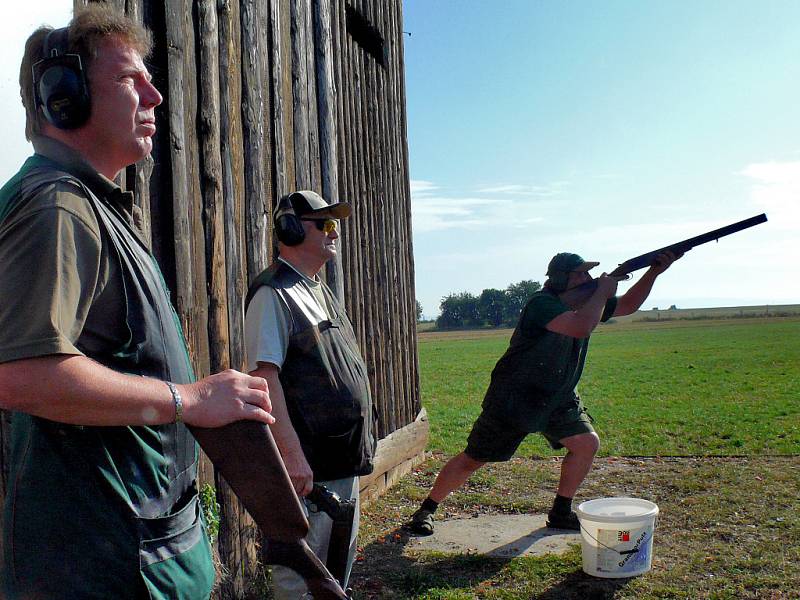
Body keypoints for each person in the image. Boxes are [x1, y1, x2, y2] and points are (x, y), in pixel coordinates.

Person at [0, 7, 275, 599]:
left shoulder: (84, 204)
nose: (154, 93)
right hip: (104, 568)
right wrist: (189, 399)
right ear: (62, 96)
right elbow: (17, 375)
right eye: (130, 79)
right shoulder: (57, 207)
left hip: (131, 554)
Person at [408, 250, 680, 535]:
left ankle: (561, 511)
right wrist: (602, 291)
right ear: (562, 278)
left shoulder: (588, 301)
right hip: (516, 397)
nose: (587, 278)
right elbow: (580, 327)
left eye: (589, 274)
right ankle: (426, 509)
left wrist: (653, 272)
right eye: (580, 274)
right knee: (473, 458)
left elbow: (626, 306)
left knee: (586, 443)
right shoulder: (542, 304)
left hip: (558, 396)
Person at [245, 190, 376, 598]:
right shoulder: (273, 293)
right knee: (304, 574)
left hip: (340, 458)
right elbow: (266, 377)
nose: (333, 232)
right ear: (288, 228)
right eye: (324, 223)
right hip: (311, 467)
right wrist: (292, 454)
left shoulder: (316, 288)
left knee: (336, 568)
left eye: (333, 223)